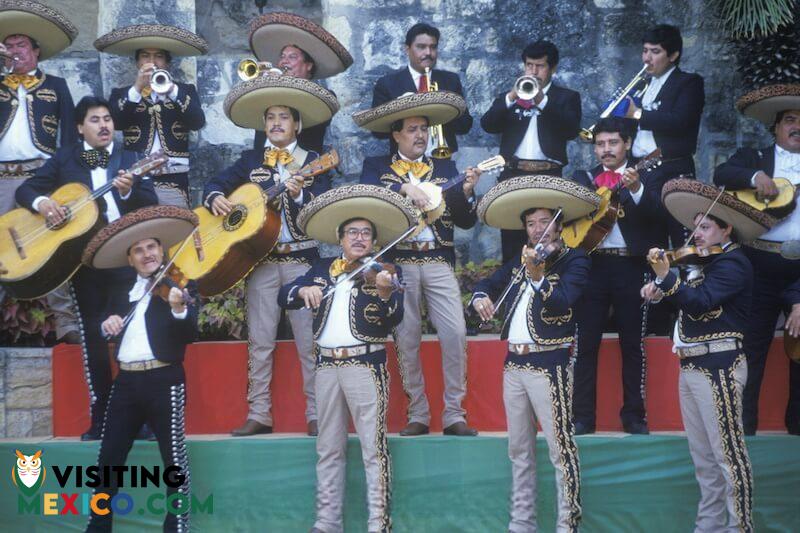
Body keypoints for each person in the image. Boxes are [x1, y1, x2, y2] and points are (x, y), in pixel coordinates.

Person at [15, 96, 158, 440]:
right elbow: (26, 189)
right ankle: (103, 419)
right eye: (95, 120)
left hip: (124, 259)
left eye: (108, 119)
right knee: (94, 341)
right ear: (80, 127)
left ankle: (138, 421)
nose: (104, 125)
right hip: (83, 262)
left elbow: (150, 204)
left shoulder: (130, 159)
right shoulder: (65, 158)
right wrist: (44, 203)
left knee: (130, 337)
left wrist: (129, 190)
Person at [204, 74, 337, 437]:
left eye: (283, 117)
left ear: (297, 124)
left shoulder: (314, 161)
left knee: (309, 344)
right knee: (260, 342)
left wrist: (296, 195)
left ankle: (316, 414)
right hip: (261, 261)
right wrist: (214, 197)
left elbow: (324, 210)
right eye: (270, 118)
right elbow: (215, 183)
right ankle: (259, 413)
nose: (276, 123)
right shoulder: (250, 159)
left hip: (302, 263)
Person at [641, 178, 772, 532]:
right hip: (693, 364)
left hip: (719, 365)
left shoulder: (733, 264)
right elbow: (685, 301)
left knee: (729, 456)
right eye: (694, 227)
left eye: (705, 227)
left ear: (725, 230)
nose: (696, 234)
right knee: (704, 460)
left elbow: (699, 303)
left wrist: (668, 281)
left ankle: (740, 527)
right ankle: (709, 526)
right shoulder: (701, 266)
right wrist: (660, 288)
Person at [280, 185, 412, 533]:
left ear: (373, 240)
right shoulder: (322, 268)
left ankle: (378, 524)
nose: (359, 238)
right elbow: (284, 295)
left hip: (364, 366)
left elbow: (394, 317)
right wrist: (302, 290)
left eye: (366, 233)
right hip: (325, 367)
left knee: (373, 448)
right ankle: (326, 523)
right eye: (352, 232)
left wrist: (385, 292)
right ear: (340, 238)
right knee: (328, 449)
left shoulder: (385, 270)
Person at [471, 175, 599, 532]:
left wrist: (539, 276)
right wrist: (480, 296)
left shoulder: (575, 262)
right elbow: (488, 283)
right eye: (531, 224)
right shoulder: (518, 260)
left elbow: (562, 303)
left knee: (561, 449)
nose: (538, 229)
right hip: (514, 362)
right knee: (519, 451)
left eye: (545, 222)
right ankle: (522, 524)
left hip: (550, 362)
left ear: (559, 225)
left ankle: (567, 525)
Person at [356, 91, 482, 436]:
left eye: (424, 129)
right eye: (412, 129)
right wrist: (403, 188)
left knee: (455, 333)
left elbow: (466, 222)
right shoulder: (377, 168)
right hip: (400, 264)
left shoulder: (446, 167)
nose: (420, 136)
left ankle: (455, 413)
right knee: (406, 336)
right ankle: (419, 414)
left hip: (437, 260)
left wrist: (468, 191)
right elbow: (368, 195)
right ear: (396, 134)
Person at [83, 205, 199, 532]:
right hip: (126, 383)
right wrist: (106, 324)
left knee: (174, 462)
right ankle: (98, 526)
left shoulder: (181, 284)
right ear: (130, 259)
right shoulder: (122, 291)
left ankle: (176, 527)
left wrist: (178, 309)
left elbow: (190, 332)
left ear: (162, 250)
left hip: (165, 379)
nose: (147, 254)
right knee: (108, 460)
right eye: (138, 250)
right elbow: (100, 326)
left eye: (152, 247)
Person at [569, 116, 667, 434]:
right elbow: (572, 218)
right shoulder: (583, 177)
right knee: (585, 345)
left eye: (613, 143)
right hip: (592, 267)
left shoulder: (648, 177)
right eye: (600, 144)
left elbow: (658, 216)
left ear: (626, 144)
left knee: (632, 344)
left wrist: (636, 188)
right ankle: (583, 416)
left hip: (632, 266)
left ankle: (634, 415)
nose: (606, 149)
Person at [714, 86, 800, 435]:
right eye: (791, 120)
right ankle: (743, 430)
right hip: (760, 266)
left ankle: (796, 433)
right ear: (776, 127)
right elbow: (722, 174)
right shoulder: (754, 158)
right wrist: (755, 177)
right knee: (750, 348)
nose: (797, 126)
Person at [0, 1, 79, 342]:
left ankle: (66, 323)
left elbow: (71, 136)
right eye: (9, 45)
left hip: (41, 177)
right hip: (2, 178)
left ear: (36, 51)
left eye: (21, 45)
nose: (15, 51)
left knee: (53, 246)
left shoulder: (57, 85)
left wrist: (67, 176)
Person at [480, 39, 582, 262]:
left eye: (540, 66)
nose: (533, 71)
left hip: (548, 175)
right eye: (529, 65)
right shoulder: (510, 97)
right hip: (513, 174)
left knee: (547, 237)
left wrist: (541, 100)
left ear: (552, 68)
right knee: (512, 240)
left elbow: (570, 129)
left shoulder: (567, 98)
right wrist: (511, 98)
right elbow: (489, 124)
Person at [95, 24, 208, 208]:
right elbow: (117, 123)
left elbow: (197, 122)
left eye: (159, 57)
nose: (152, 62)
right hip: (137, 177)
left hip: (174, 176)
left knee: (177, 228)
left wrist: (172, 91)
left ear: (167, 63)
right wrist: (137, 89)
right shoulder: (122, 93)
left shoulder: (185, 90)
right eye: (145, 56)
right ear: (137, 63)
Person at [624, 24, 705, 248]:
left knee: (682, 236)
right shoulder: (643, 84)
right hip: (641, 169)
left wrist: (637, 113)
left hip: (672, 168)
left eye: (655, 51)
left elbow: (680, 121)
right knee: (646, 234)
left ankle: (689, 279)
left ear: (673, 55)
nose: (647, 58)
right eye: (645, 51)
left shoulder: (689, 83)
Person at [248, 12, 352, 153]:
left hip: (304, 167)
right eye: (282, 57)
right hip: (262, 166)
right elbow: (246, 115)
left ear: (308, 65)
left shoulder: (325, 95)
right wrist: (261, 86)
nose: (284, 61)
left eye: (292, 57)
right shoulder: (267, 90)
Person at [372, 22, 473, 156]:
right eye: (421, 47)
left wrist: (444, 109)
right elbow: (377, 132)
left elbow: (465, 126)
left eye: (433, 47)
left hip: (444, 159)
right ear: (407, 49)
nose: (428, 53)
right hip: (404, 162)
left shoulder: (451, 80)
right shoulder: (387, 84)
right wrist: (401, 110)